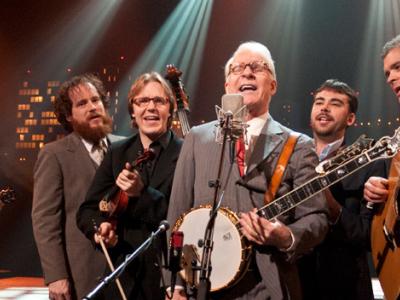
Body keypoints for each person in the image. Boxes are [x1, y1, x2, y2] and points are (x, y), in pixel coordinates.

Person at [166, 41, 329, 300]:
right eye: (237, 68)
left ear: (273, 86)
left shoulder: (298, 145)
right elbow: (177, 215)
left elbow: (317, 218)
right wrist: (174, 284)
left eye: (257, 67)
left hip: (269, 285)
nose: (247, 72)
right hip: (202, 286)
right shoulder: (197, 138)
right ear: (227, 86)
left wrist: (284, 236)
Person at [77, 72, 183, 300]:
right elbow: (88, 210)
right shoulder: (118, 153)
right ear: (133, 111)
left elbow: (185, 215)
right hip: (123, 277)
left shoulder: (186, 153)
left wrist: (141, 194)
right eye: (142, 101)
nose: (151, 107)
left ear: (170, 109)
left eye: (159, 101)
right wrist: (101, 229)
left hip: (169, 280)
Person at [32, 74, 124, 300]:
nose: (92, 107)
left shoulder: (125, 147)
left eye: (96, 100)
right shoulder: (54, 155)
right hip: (80, 276)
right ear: (68, 116)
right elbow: (45, 221)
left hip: (126, 270)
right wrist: (56, 275)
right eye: (82, 103)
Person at [299, 79, 388, 300]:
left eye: (335, 103)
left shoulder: (371, 163)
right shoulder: (291, 157)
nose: (324, 107)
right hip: (294, 284)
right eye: (319, 102)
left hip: (344, 286)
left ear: (350, 119)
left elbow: (369, 237)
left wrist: (332, 207)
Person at [363, 34, 400, 202]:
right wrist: (378, 185)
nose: (390, 78)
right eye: (387, 73)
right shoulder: (396, 139)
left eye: (398, 67)